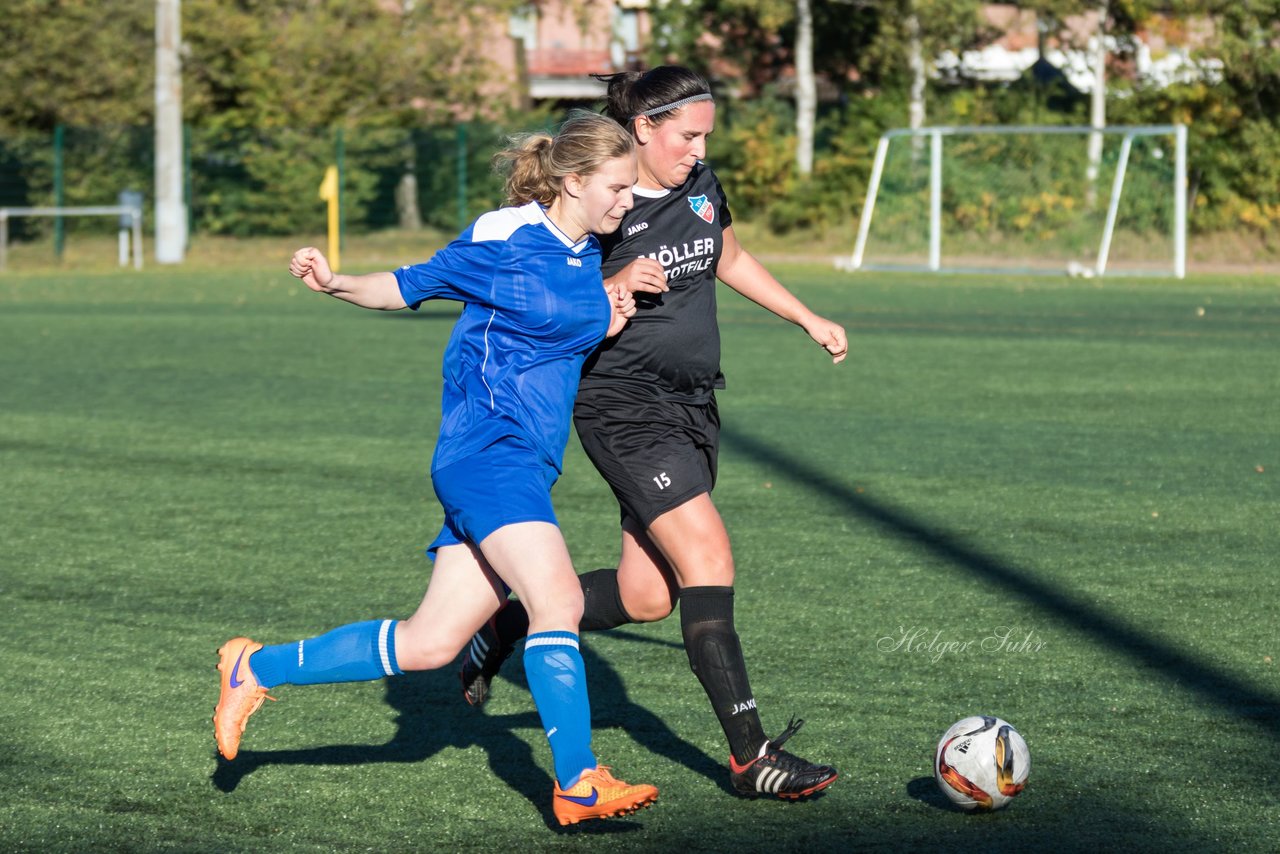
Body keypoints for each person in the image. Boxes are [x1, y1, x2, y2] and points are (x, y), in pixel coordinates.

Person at [212, 113, 659, 827]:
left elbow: (557, 337)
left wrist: (611, 313)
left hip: (527, 465)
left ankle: (253, 668)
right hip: (487, 455)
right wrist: (336, 283)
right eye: (617, 187)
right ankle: (577, 781)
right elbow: (407, 283)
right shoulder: (504, 237)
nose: (627, 201)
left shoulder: (584, 256)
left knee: (429, 645)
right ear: (573, 182)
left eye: (631, 188)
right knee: (558, 604)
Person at [460, 66, 848, 800]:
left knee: (646, 597)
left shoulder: (700, 186)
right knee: (708, 553)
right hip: (622, 408)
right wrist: (610, 288)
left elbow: (726, 255)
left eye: (706, 136)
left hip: (693, 406)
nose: (698, 150)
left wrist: (805, 316)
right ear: (642, 129)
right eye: (687, 135)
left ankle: (506, 622)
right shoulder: (599, 208)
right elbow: (541, 302)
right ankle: (750, 755)